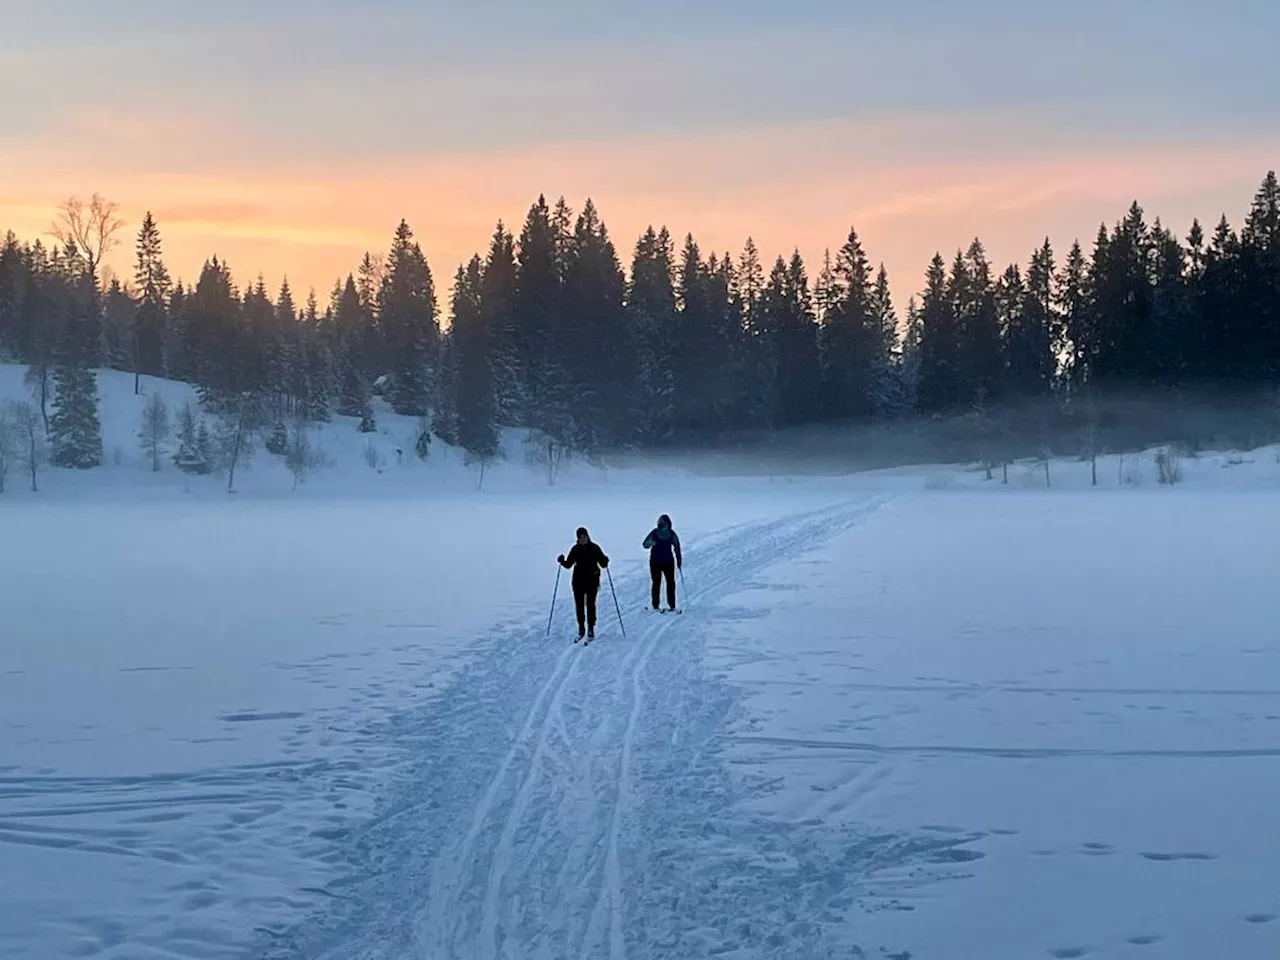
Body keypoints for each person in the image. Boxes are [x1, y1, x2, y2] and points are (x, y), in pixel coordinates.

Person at [558, 526, 609, 640]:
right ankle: (581, 627)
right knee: (579, 605)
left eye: (584, 536)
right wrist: (562, 561)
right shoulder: (575, 549)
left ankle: (591, 628)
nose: (583, 539)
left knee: (591, 605)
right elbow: (569, 564)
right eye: (580, 537)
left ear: (588, 536)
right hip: (578, 581)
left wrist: (605, 560)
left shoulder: (595, 548)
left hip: (592, 581)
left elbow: (603, 564)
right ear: (577, 538)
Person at [642, 514, 681, 611]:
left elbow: (677, 547)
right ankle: (660, 605)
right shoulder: (659, 533)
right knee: (660, 583)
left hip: (664, 562)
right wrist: (678, 559)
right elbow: (645, 544)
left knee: (667, 584)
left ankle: (669, 605)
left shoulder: (668, 534)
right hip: (657, 562)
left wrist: (679, 559)